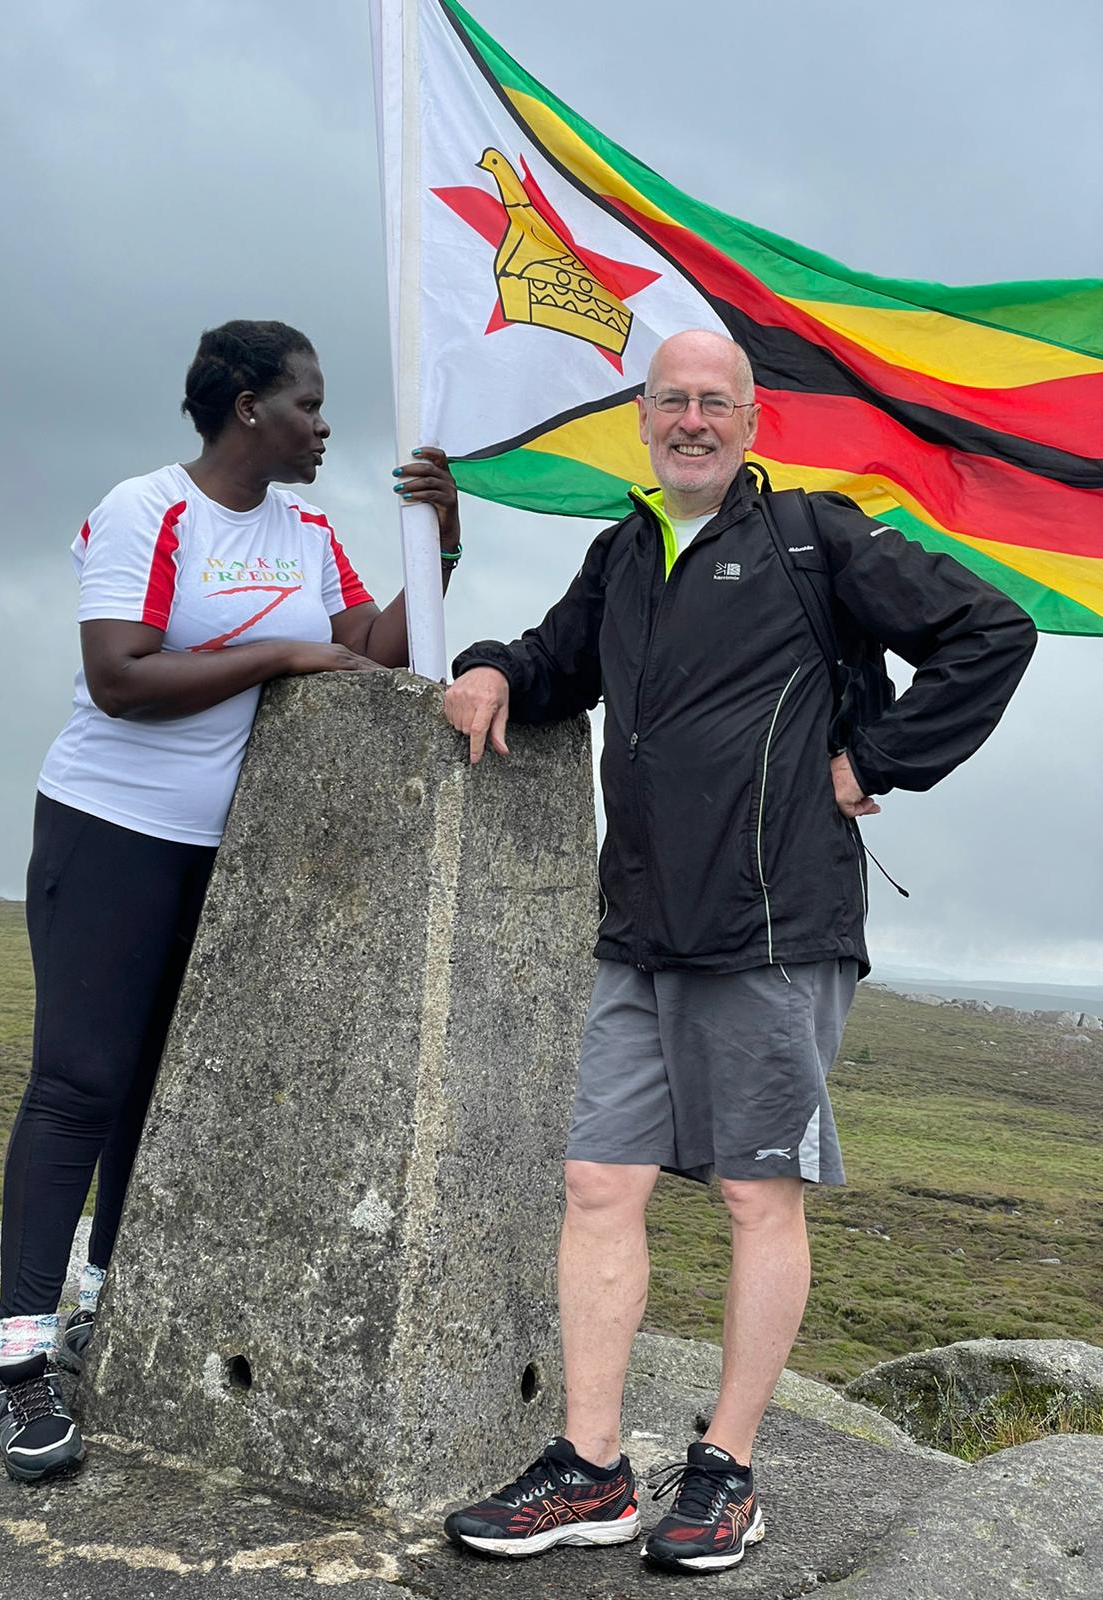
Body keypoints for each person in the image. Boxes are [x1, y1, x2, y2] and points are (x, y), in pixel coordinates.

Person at [441, 329, 1035, 1574]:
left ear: (752, 420)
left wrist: (881, 758)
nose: (694, 420)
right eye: (673, 402)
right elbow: (557, 666)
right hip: (639, 928)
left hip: (772, 929)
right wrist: (491, 663)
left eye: (717, 402)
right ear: (644, 418)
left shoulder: (817, 538)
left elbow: (992, 631)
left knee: (760, 1195)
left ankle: (728, 1470)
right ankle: (592, 1469)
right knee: (601, 1185)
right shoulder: (623, 551)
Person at [0, 319, 462, 1484]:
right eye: (308, 401)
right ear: (248, 405)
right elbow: (120, 673)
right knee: (77, 1086)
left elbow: (376, 649)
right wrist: (278, 658)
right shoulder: (152, 510)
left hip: (226, 853)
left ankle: (104, 1297)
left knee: (155, 1084)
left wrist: (438, 546)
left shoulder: (306, 531)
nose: (324, 423)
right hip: (110, 830)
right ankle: (19, 1361)